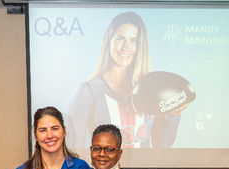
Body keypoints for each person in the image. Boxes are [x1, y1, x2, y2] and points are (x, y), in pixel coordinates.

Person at [67, 11, 181, 150]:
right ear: (109, 41)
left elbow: (161, 144)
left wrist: (175, 114)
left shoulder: (151, 89)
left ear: (140, 46)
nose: (125, 47)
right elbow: (73, 148)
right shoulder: (88, 91)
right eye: (120, 38)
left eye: (133, 40)